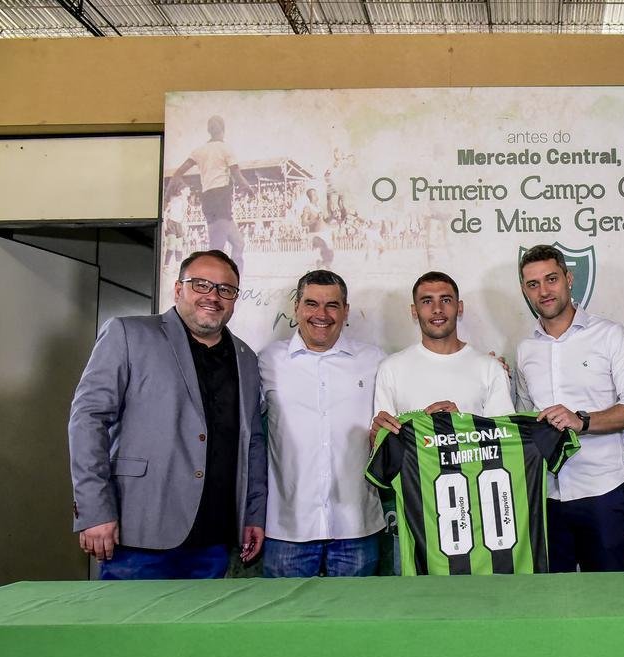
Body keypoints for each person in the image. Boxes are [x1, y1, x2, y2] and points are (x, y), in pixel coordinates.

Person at [68, 250, 266, 579]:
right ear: (178, 289)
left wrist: (253, 514)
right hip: (139, 533)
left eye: (225, 290)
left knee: (199, 632)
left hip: (215, 538)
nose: (213, 297)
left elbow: (253, 443)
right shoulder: (128, 334)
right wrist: (94, 509)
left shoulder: (245, 357)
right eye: (201, 284)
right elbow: (88, 419)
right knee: (130, 631)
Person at [514, 245, 624, 572]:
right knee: (553, 606)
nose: (544, 291)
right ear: (524, 290)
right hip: (547, 499)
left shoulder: (609, 335)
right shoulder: (524, 349)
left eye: (551, 279)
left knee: (608, 604)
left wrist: (582, 421)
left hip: (601, 494)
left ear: (569, 279)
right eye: (533, 284)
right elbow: (523, 419)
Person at [258, 270, 386, 577]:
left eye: (332, 305)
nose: (322, 314)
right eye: (312, 304)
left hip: (358, 526)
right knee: (284, 624)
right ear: (297, 309)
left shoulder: (377, 361)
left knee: (353, 620)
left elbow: (411, 405)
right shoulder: (266, 361)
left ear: (346, 311)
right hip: (287, 529)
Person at [371, 270, 513, 442]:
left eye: (445, 300)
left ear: (459, 307)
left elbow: (505, 442)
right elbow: (384, 445)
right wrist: (376, 435)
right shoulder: (391, 368)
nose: (437, 309)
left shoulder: (490, 368)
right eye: (427, 301)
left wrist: (462, 425)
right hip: (415, 470)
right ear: (414, 311)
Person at [167, 115, 252, 268]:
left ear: (208, 130)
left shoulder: (199, 151)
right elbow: (237, 176)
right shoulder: (226, 148)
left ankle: (237, 278)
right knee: (216, 250)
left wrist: (167, 195)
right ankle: (215, 282)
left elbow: (178, 173)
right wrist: (249, 189)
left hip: (209, 198)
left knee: (238, 243)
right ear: (224, 130)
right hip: (220, 197)